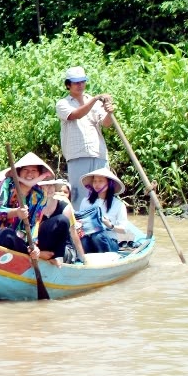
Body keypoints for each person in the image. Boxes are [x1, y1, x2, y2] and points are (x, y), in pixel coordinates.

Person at [0, 152, 71, 267]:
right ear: (19, 172)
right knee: (5, 234)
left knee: (62, 220)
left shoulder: (40, 193)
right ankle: (34, 254)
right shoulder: (7, 184)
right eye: (26, 170)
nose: (29, 174)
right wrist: (16, 212)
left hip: (26, 240)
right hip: (6, 238)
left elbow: (36, 221)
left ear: (39, 174)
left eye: (34, 171)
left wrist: (34, 245)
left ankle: (55, 257)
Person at [56, 66, 116, 208]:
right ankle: (80, 227)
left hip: (98, 153)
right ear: (68, 85)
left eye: (82, 82)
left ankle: (104, 224)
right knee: (80, 196)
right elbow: (76, 115)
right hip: (78, 155)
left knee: (103, 193)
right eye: (76, 82)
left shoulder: (93, 102)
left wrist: (109, 113)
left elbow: (106, 124)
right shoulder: (63, 103)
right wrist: (95, 99)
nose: (80, 85)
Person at [77, 167, 131, 253]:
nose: (96, 184)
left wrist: (110, 225)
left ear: (109, 183)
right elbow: (79, 222)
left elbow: (124, 229)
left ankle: (106, 260)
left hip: (110, 241)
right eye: (95, 181)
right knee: (83, 240)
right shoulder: (85, 201)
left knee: (97, 236)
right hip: (89, 237)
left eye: (100, 181)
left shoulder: (118, 204)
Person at [36, 176, 87, 265]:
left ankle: (56, 258)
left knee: (62, 220)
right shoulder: (34, 207)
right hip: (41, 248)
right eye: (45, 186)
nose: (49, 189)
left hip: (63, 249)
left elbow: (73, 233)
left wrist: (83, 258)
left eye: (51, 185)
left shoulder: (64, 207)